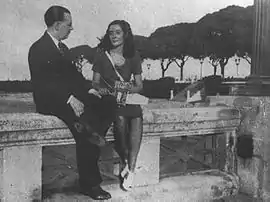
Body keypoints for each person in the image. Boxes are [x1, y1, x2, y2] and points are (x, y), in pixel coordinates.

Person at [28, 5, 116, 200]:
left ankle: (97, 134)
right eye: (69, 25)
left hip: (68, 97)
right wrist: (69, 99)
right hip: (52, 101)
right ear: (58, 25)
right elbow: (45, 84)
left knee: (109, 102)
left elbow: (74, 79)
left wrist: (90, 91)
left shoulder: (63, 48)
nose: (71, 28)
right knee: (85, 126)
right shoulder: (38, 48)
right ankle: (90, 184)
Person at [92, 20, 143, 191]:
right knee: (120, 121)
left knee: (136, 116)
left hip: (128, 99)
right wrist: (110, 91)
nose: (113, 35)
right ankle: (126, 161)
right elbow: (95, 83)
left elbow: (139, 85)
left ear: (125, 34)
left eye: (117, 32)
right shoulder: (101, 55)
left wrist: (125, 88)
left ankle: (132, 170)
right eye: (110, 32)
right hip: (111, 100)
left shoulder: (133, 56)